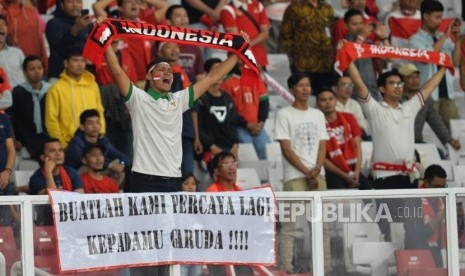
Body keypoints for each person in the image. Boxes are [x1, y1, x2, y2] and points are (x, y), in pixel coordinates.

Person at [103, 25, 240, 188]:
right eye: (161, 69)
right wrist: (104, 36)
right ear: (149, 76)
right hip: (144, 178)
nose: (168, 73)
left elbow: (212, 77)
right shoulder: (138, 99)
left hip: (174, 178)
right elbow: (117, 72)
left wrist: (238, 52)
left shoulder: (179, 99)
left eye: (169, 71)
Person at [274, 72, 330, 274]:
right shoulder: (284, 114)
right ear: (291, 89)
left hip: (318, 174)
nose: (306, 89)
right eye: (301, 85)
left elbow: (323, 145)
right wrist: (309, 172)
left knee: (320, 227)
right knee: (289, 226)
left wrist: (316, 170)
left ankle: (323, 268)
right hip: (294, 176)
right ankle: (286, 269)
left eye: (308, 85)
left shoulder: (318, 115)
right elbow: (286, 149)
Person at [408, 0, 461, 128]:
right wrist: (445, 36)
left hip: (448, 94)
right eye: (437, 17)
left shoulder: (444, 38)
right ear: (426, 16)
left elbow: (455, 62)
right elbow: (428, 58)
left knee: (456, 134)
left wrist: (458, 39)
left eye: (441, 17)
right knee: (429, 136)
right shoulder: (414, 40)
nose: (440, 21)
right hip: (428, 96)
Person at [45, 49, 106, 149]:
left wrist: (101, 132)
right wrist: (61, 144)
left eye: (82, 61)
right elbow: (51, 120)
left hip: (94, 141)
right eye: (75, 60)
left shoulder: (93, 85)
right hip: (69, 143)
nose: (80, 64)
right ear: (66, 63)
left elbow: (99, 110)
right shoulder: (56, 88)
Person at [315, 87, 372, 190]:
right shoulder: (317, 123)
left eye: (330, 99)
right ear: (317, 104)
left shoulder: (349, 117)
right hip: (332, 171)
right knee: (339, 198)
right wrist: (344, 176)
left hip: (354, 169)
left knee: (371, 193)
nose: (327, 102)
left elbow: (357, 146)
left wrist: (357, 173)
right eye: (323, 100)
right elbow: (322, 157)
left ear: (335, 100)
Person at [158, 42, 201, 174]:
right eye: (169, 46)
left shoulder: (186, 75)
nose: (174, 50)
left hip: (185, 132)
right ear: (161, 53)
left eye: (176, 47)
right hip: (165, 132)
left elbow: (192, 108)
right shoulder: (155, 75)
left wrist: (196, 137)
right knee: (167, 172)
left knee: (187, 173)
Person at [399, 63, 460, 150]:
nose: (415, 80)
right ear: (402, 80)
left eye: (417, 77)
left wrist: (449, 140)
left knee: (440, 155)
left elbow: (436, 122)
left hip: (417, 142)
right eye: (410, 77)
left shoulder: (426, 99)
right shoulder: (395, 98)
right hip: (397, 143)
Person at [279, 0, 334, 90]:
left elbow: (330, 30)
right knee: (303, 94)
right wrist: (293, 56)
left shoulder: (327, 8)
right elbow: (286, 35)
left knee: (324, 95)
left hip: (325, 63)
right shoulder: (294, 8)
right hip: (302, 63)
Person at [221, 59, 270, 160]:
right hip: (238, 127)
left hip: (257, 127)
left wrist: (261, 122)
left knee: (267, 153)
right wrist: (246, 124)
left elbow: (264, 102)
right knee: (248, 156)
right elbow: (230, 111)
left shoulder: (256, 79)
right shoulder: (228, 81)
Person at [197, 58, 238, 170]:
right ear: (206, 74)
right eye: (217, 70)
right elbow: (199, 126)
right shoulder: (200, 98)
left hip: (228, 147)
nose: (220, 74)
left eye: (222, 70)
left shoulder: (227, 98)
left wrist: (235, 144)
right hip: (208, 148)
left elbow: (233, 123)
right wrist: (211, 146)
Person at [65, 109, 130, 179]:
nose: (95, 126)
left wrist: (121, 164)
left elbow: (124, 157)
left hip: (98, 173)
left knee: (119, 164)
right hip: (75, 177)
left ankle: (113, 189)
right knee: (87, 168)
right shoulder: (76, 142)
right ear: (82, 127)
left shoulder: (102, 141)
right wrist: (110, 165)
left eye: (97, 123)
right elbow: (84, 161)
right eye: (90, 123)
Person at [8, 55, 51, 160]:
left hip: (48, 136)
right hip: (26, 139)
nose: (37, 72)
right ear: (25, 72)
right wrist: (15, 139)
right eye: (32, 69)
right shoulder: (18, 92)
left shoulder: (51, 90)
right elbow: (12, 118)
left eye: (39, 68)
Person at [343, 8, 390, 101]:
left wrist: (384, 38)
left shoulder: (367, 43)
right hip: (353, 95)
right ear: (346, 26)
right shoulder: (343, 44)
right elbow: (352, 54)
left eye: (361, 23)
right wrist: (361, 36)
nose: (359, 27)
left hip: (372, 93)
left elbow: (390, 58)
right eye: (354, 24)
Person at [46, 0, 92, 79]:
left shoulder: (88, 25)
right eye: (70, 2)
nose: (75, 5)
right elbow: (58, 49)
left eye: (78, 2)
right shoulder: (53, 24)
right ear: (62, 5)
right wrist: (75, 30)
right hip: (60, 76)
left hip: (85, 76)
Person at [220, 0, 270, 69]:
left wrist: (247, 45)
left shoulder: (258, 5)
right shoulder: (228, 9)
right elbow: (235, 40)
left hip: (260, 58)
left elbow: (265, 34)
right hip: (241, 61)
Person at [1, 0, 48, 72]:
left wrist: (45, 64)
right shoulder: (3, 13)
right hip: (12, 66)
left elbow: (40, 40)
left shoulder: (31, 12)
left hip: (35, 66)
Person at [165, 4, 205, 82]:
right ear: (169, 22)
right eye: (178, 16)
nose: (183, 19)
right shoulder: (161, 45)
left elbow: (200, 75)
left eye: (186, 16)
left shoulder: (195, 46)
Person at [179, 172, 203, 276]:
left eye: (193, 184)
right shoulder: (174, 205)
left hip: (197, 254)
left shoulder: (203, 204)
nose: (190, 187)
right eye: (186, 183)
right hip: (180, 255)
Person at [0, 15, 25, 87]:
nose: (1, 27)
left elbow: (27, 72)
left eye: (4, 25)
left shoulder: (17, 52)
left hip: (21, 93)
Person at [0, 113, 15, 196]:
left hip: (2, 179)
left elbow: (11, 149)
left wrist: (7, 171)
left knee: (4, 209)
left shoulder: (3, 118)